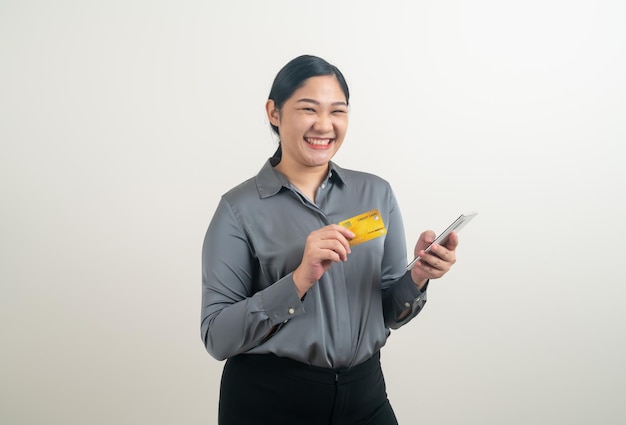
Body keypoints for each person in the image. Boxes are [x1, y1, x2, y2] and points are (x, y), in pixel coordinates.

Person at [201, 54, 459, 425]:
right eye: (309, 109)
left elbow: (388, 311)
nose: (324, 125)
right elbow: (216, 337)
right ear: (274, 112)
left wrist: (418, 275)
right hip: (269, 402)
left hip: (365, 396)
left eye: (338, 111)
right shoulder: (237, 209)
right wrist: (298, 279)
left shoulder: (376, 194)